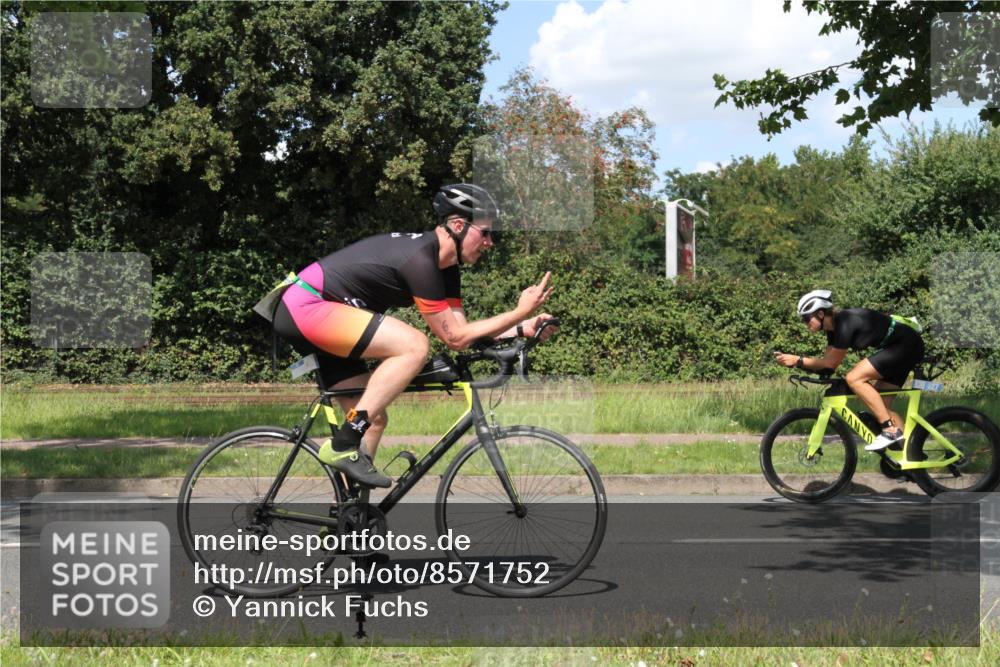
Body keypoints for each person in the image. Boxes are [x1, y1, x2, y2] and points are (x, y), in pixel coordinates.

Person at [272, 183, 555, 487]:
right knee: (414, 345)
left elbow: (462, 333)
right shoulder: (421, 260)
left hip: (323, 314)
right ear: (459, 226)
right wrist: (518, 312)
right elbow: (455, 339)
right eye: (485, 233)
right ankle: (343, 444)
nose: (490, 242)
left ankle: (347, 512)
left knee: (373, 419)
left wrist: (521, 328)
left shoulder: (447, 269)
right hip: (306, 305)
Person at [773, 289, 924, 451]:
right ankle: (909, 454)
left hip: (905, 345)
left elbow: (830, 363)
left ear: (821, 314)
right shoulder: (832, 331)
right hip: (900, 347)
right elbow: (826, 368)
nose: (805, 323)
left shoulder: (845, 323)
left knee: (854, 378)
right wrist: (797, 364)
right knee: (879, 406)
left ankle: (890, 431)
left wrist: (798, 360)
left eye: (806, 318)